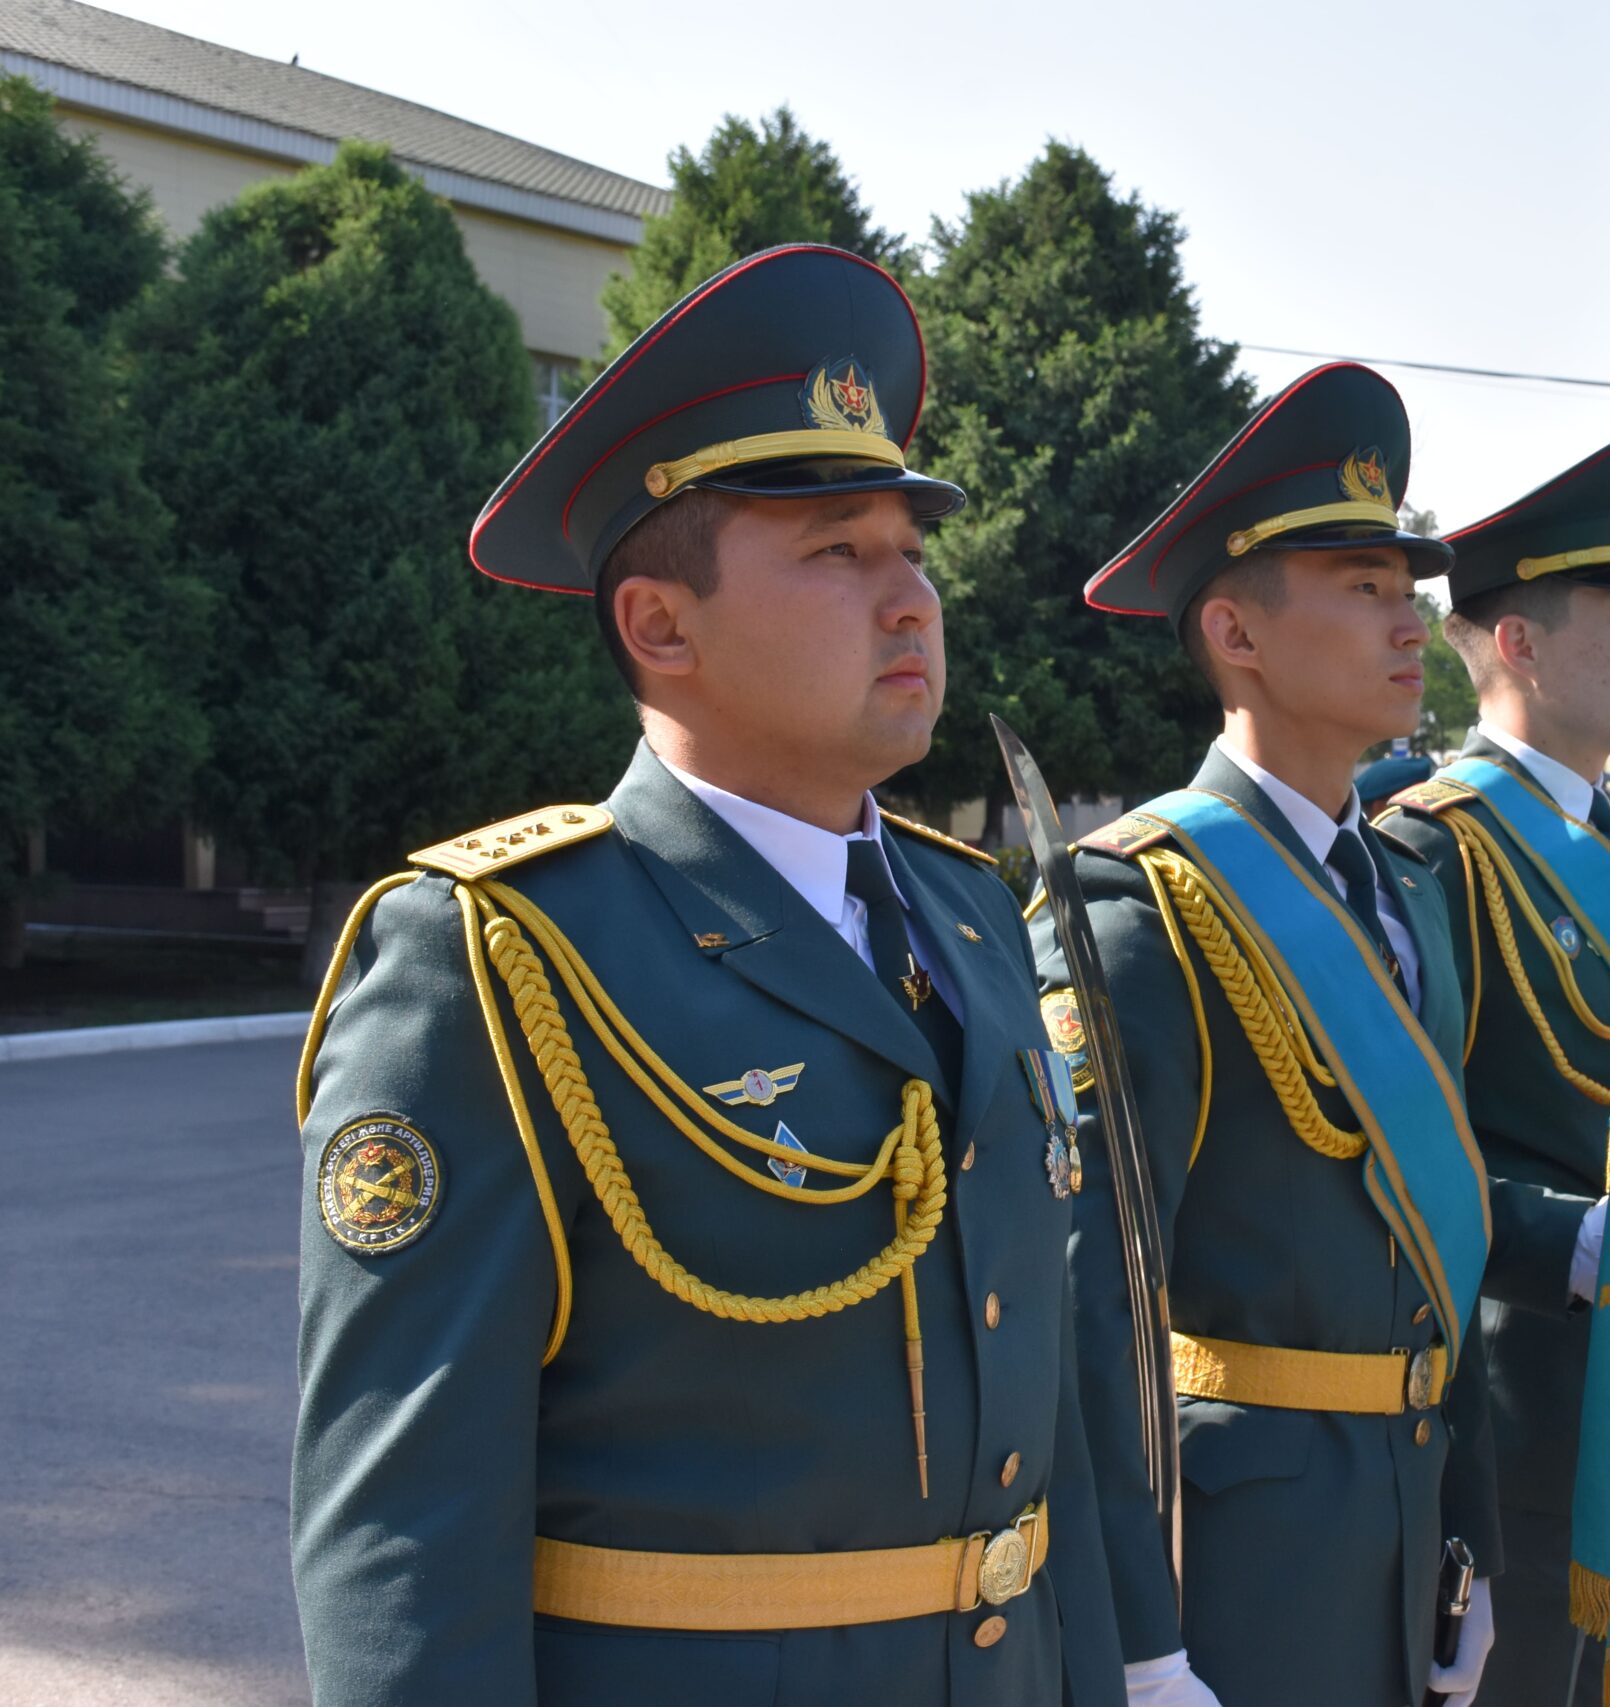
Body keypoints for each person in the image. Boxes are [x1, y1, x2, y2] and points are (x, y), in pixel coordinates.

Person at [290, 246, 1123, 1705]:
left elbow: (1046, 1432)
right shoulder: (495, 958)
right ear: (661, 625)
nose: (911, 597)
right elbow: (403, 1526)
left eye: (911, 549)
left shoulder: (976, 914)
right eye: (835, 552)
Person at [1032, 363, 1503, 1707]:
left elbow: (1435, 1235)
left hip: (1406, 1517)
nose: (1411, 623)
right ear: (1236, 632)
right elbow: (1091, 1308)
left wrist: (1467, 1537)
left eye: (1408, 587)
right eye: (1362, 587)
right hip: (1242, 1553)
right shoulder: (1137, 906)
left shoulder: (1407, 884)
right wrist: (1135, 1637)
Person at [1375, 433, 1610, 1707]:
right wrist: (1575, 1240)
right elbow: (1411, 1143)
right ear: (1521, 645)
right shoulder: (1435, 848)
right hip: (1527, 1372)